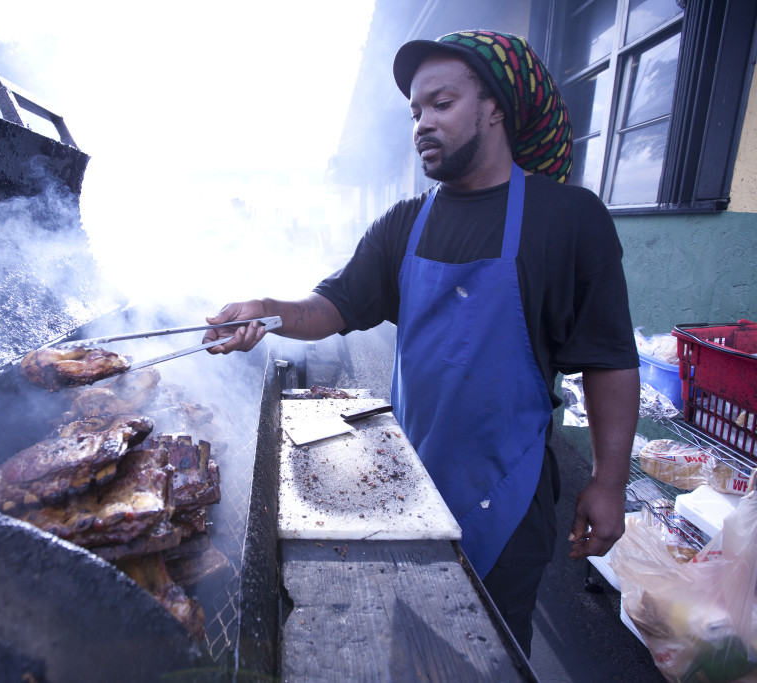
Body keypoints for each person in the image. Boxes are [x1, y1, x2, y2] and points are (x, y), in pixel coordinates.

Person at [203, 29, 640, 656]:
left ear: (494, 107)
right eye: (414, 111)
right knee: (410, 636)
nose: (422, 124)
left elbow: (609, 359)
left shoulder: (568, 219)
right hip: (406, 482)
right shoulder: (405, 223)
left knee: (488, 653)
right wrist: (268, 312)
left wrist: (609, 479)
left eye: (441, 104)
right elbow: (333, 306)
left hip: (509, 493)